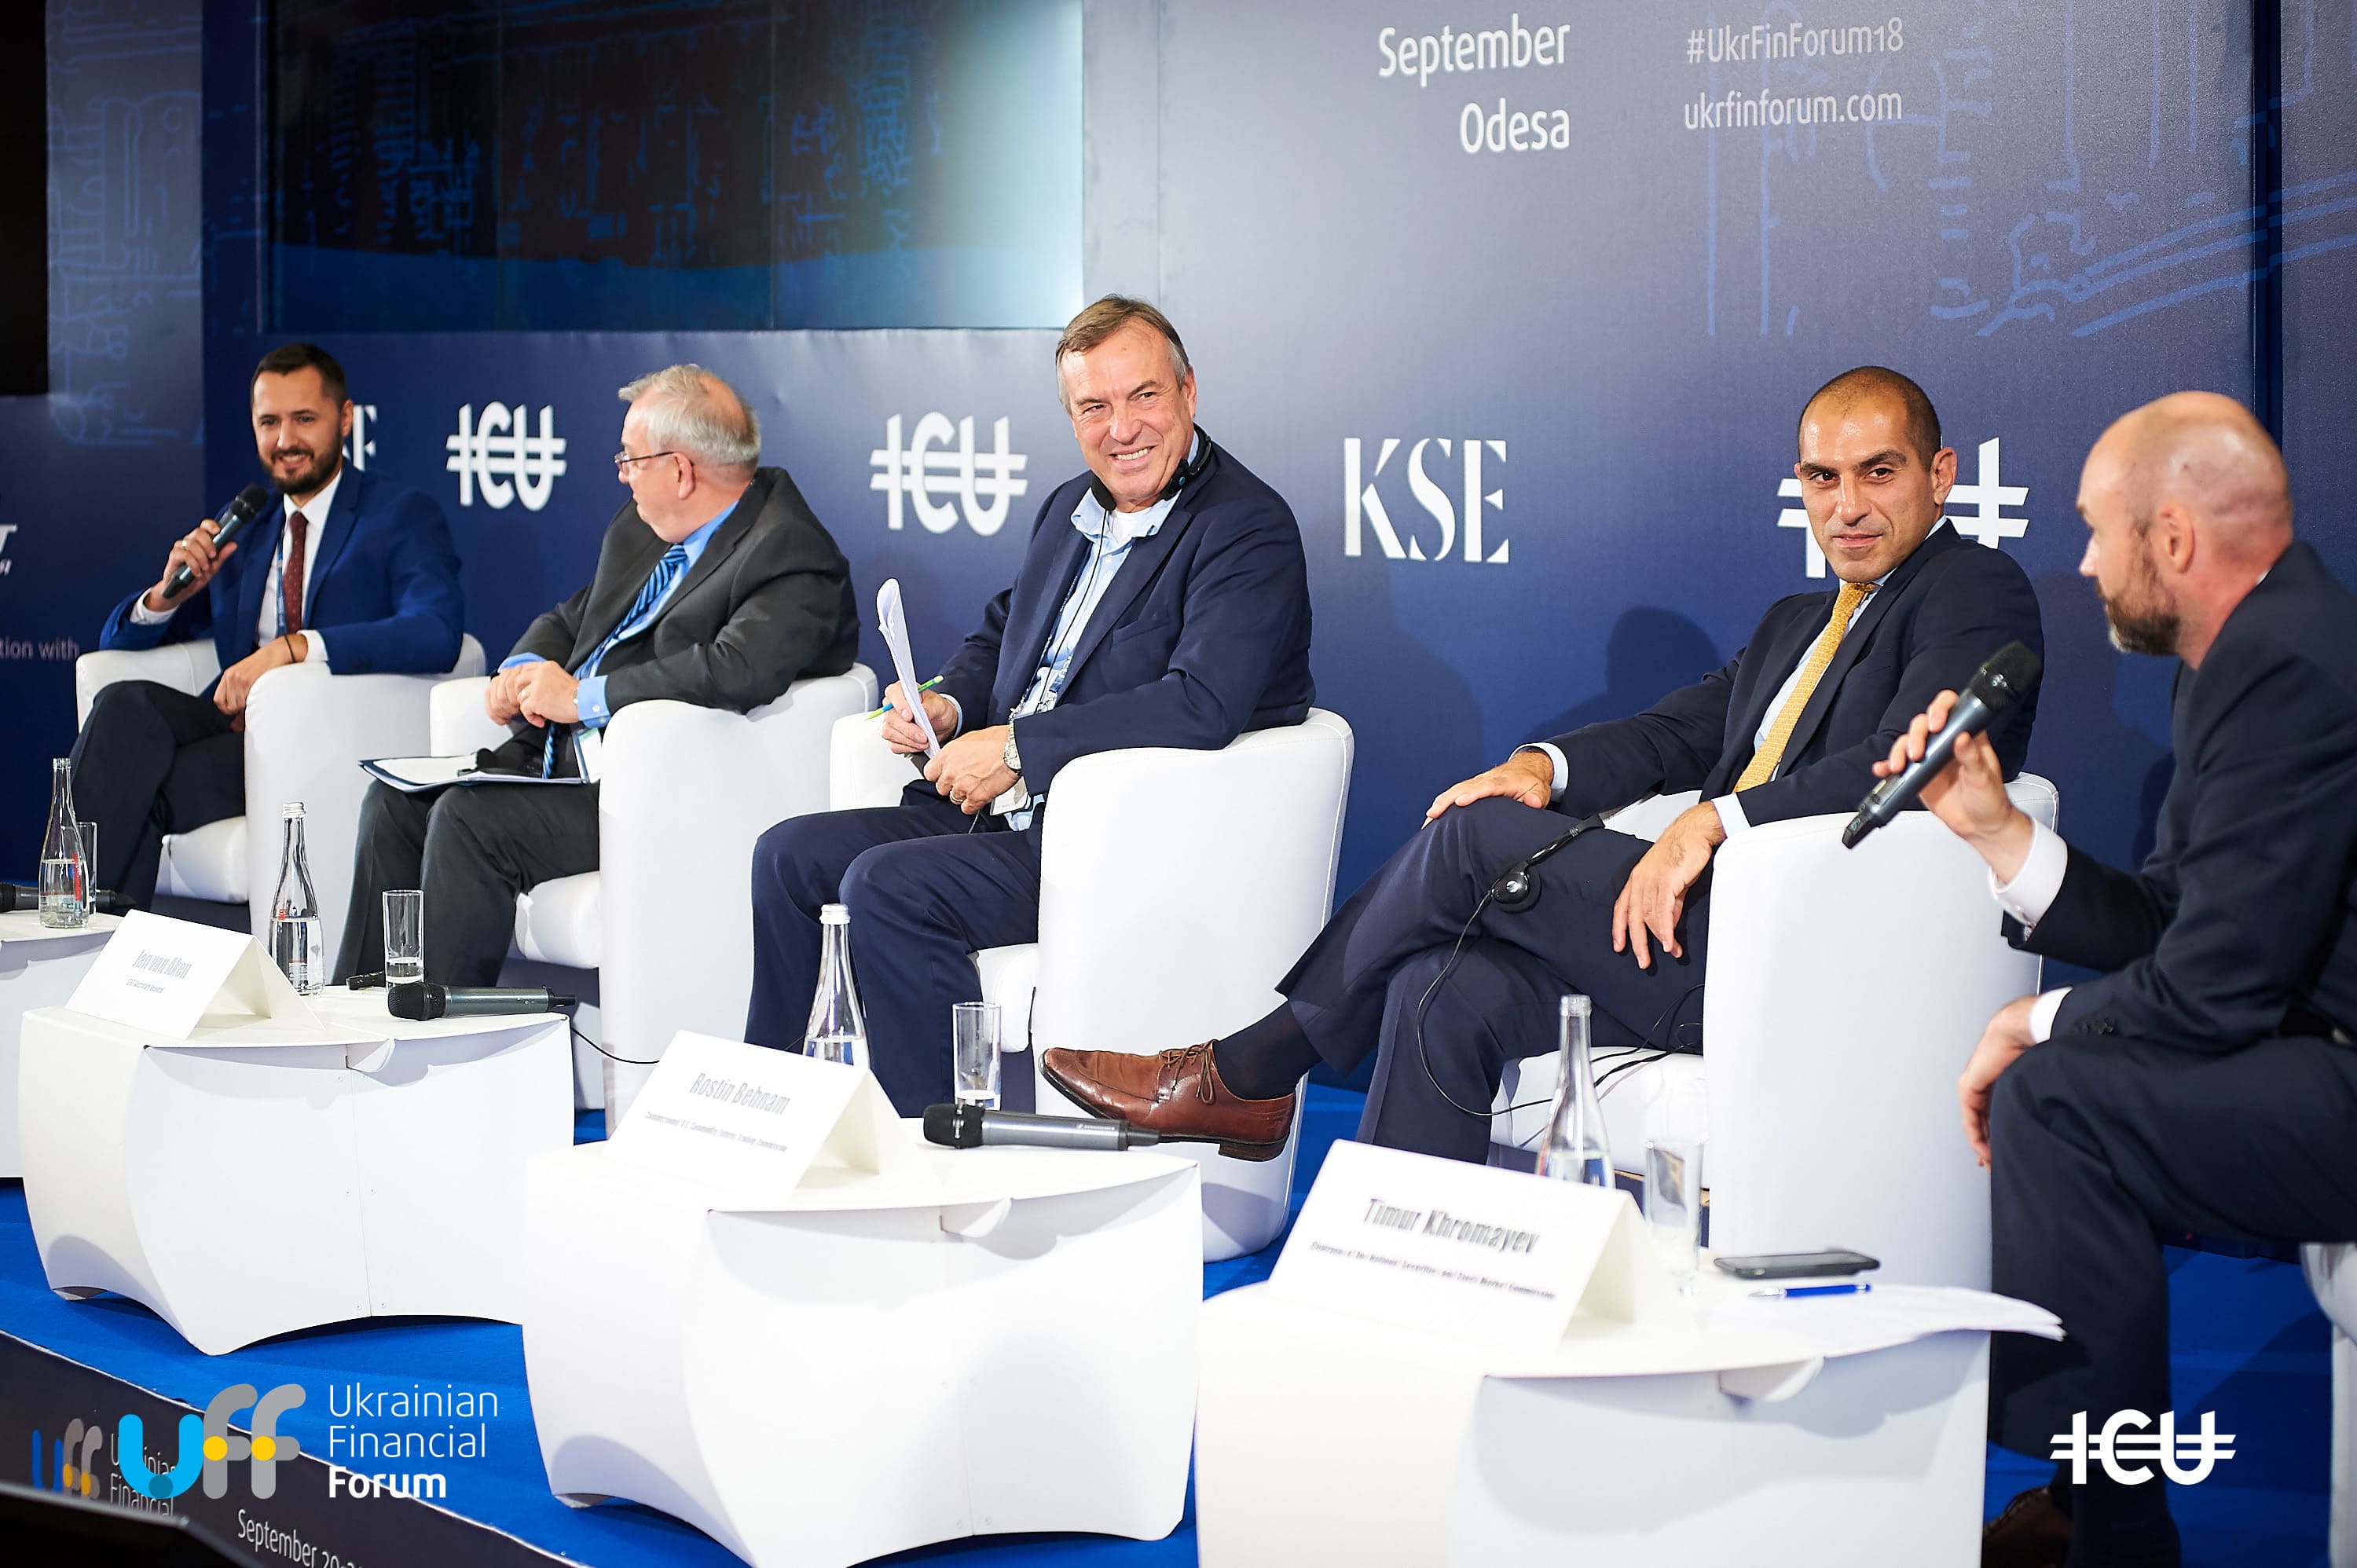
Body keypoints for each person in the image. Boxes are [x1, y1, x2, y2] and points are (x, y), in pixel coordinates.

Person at [1044, 366, 2046, 1162]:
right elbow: (1673, 733)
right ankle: (1406, 1281)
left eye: (1879, 472)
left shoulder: (1973, 588)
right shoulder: (1799, 621)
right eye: (1823, 478)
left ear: (1941, 474)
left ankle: (1249, 1069)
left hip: (1799, 945)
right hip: (1694, 940)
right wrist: (1543, 766)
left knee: (1473, 840)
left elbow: (1918, 757)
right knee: (1440, 986)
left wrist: (1714, 821)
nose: (1848, 505)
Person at [1875, 393, 2355, 1568]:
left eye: (2098, 531)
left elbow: (2215, 991)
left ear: (2173, 538)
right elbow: (2177, 924)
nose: (2085, 563)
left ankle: (2108, 1531)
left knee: (2058, 1100)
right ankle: (2096, 1512)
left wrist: (2033, 1019)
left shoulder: (2286, 665)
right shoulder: (2239, 655)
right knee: (2061, 1088)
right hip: (2311, 1044)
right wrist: (1996, 832)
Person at [742, 296, 1315, 1113]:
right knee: (787, 857)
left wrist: (1016, 747)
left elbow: (1202, 703)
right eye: (1094, 407)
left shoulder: (1246, 528)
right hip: (997, 817)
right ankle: (777, 1118)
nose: (1122, 428)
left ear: (1189, 391)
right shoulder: (1068, 510)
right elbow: (1004, 635)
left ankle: (936, 1148)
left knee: (886, 885)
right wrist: (947, 703)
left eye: (1144, 396)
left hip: (1101, 840)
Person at [332, 364, 858, 984]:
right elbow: (573, 618)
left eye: (630, 458)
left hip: (646, 790)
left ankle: (438, 1026)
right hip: (560, 762)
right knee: (393, 805)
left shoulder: (790, 550)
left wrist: (583, 698)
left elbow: (737, 667)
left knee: (467, 820)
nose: (623, 474)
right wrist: (523, 669)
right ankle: (357, 1013)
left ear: (680, 471)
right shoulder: (643, 528)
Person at [71, 343, 465, 907]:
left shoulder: (399, 514)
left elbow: (436, 631)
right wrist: (167, 594)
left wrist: (294, 648)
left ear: (345, 419)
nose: (285, 440)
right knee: (122, 704)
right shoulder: (248, 527)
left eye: (304, 419)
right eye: (269, 423)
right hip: (228, 720)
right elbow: (119, 641)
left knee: (142, 784)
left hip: (315, 733)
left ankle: (87, 930)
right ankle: (77, 916)